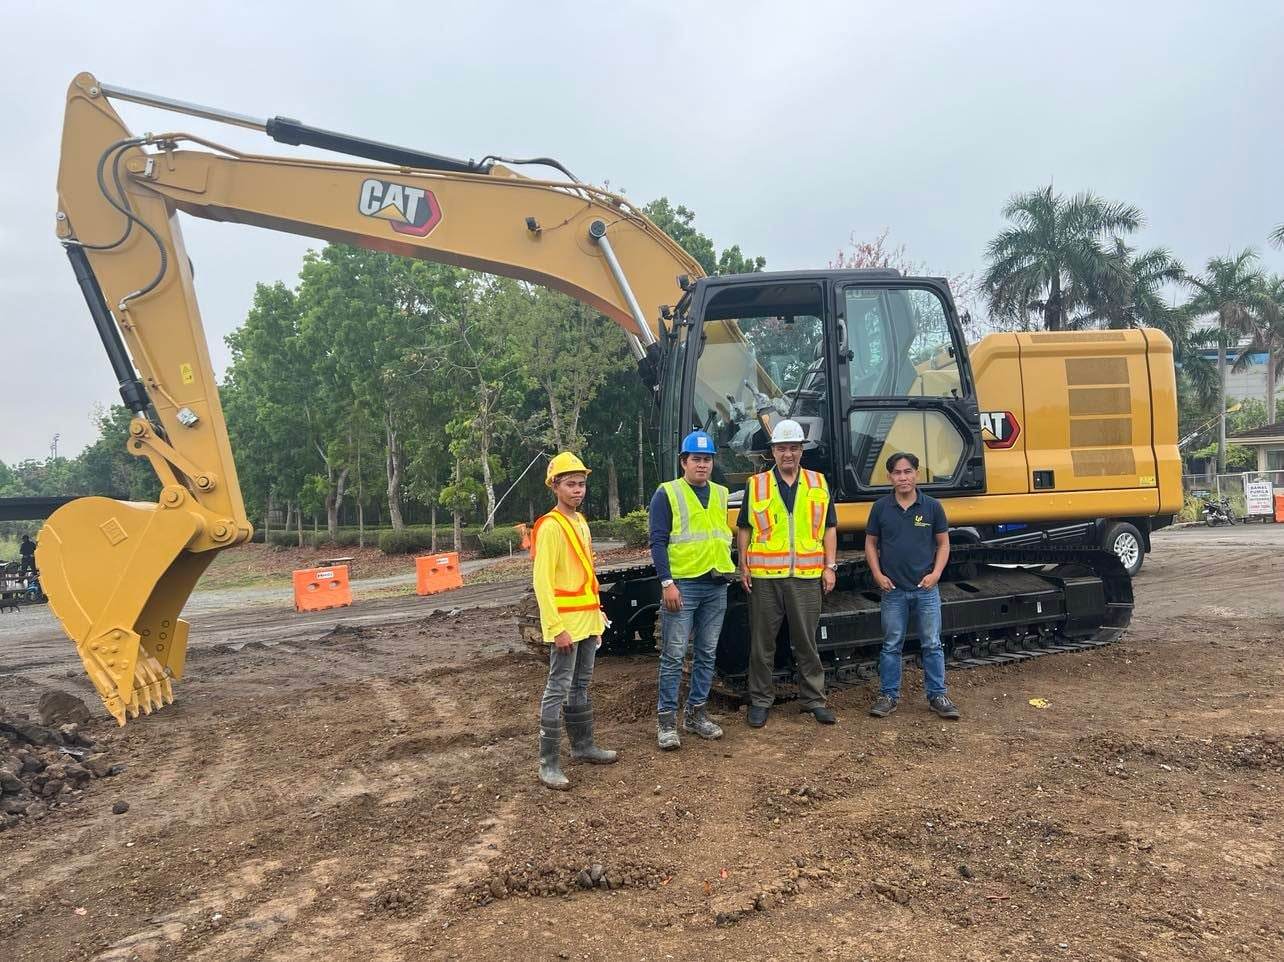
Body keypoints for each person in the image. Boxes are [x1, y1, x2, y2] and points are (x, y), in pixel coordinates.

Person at [737, 419, 838, 728]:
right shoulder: (757, 485)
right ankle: (760, 701)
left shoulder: (818, 483)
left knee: (806, 642)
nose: (788, 454)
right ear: (773, 452)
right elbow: (745, 528)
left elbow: (829, 528)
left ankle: (814, 700)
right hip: (765, 578)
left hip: (806, 576)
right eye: (782, 449)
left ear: (801, 451)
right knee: (762, 644)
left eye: (794, 448)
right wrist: (743, 565)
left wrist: (830, 566)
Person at [531, 452, 618, 790]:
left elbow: (586, 574)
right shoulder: (550, 527)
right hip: (566, 625)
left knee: (580, 685)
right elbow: (542, 582)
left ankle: (583, 746)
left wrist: (597, 612)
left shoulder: (581, 521)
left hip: (587, 620)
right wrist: (555, 628)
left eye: (581, 484)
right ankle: (548, 764)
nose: (578, 490)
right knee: (557, 689)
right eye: (570, 484)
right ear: (555, 486)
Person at [649, 430, 735, 750]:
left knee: (706, 653)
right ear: (683, 462)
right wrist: (667, 583)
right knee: (673, 655)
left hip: (716, 584)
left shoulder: (721, 493)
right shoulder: (667, 493)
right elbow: (658, 541)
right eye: (696, 459)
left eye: (707, 459)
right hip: (683, 585)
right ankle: (666, 722)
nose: (702, 465)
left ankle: (696, 714)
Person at [864, 452, 961, 721]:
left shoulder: (932, 507)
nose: (903, 477)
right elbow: (871, 543)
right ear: (889, 477)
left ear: (917, 474)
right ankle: (888, 696)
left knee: (932, 643)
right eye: (897, 472)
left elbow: (943, 543)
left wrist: (936, 574)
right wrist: (877, 574)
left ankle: (937, 695)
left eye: (908, 472)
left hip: (925, 589)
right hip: (893, 590)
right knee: (891, 644)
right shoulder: (880, 508)